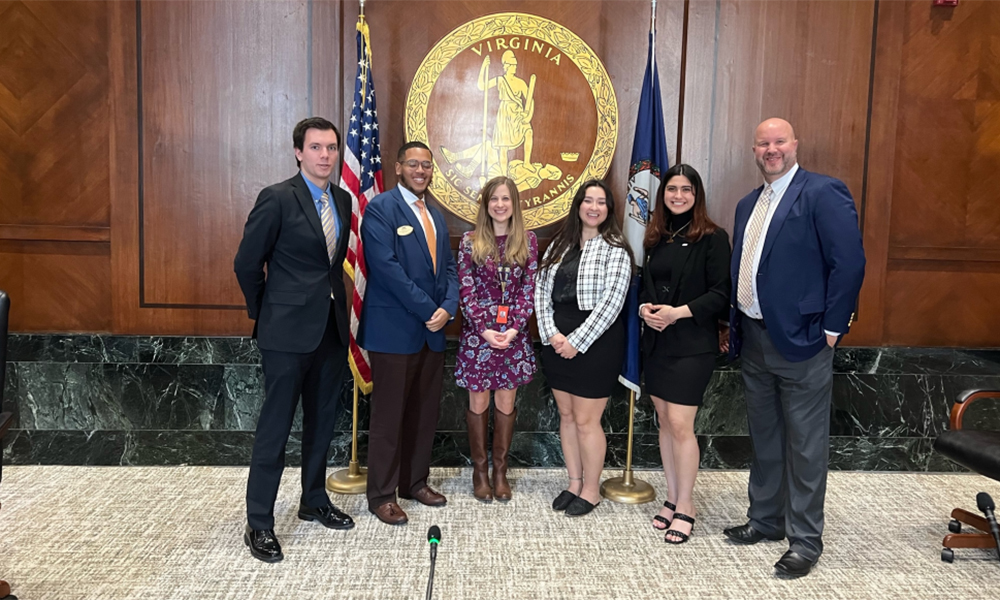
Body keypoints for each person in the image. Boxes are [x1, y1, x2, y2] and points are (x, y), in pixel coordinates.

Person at [722, 118, 866, 577]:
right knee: (765, 439)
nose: (771, 149)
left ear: (795, 145)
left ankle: (805, 540)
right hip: (755, 339)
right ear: (754, 148)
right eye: (763, 142)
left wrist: (833, 326)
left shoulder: (823, 193)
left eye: (779, 141)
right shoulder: (749, 204)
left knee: (805, 447)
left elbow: (850, 263)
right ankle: (765, 521)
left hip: (804, 340)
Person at [234, 117, 355, 563]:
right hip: (284, 333)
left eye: (331, 147)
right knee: (275, 428)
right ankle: (259, 523)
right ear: (298, 153)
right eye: (316, 147)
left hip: (329, 329)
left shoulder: (341, 199)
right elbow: (247, 263)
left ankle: (314, 499)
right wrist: (265, 311)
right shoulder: (277, 198)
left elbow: (330, 265)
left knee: (322, 422)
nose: (325, 155)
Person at [358, 141, 459, 526]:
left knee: (423, 413)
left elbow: (449, 269)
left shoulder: (434, 213)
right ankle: (381, 494)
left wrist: (448, 308)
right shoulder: (381, 209)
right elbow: (386, 268)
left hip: (432, 332)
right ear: (398, 167)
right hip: (393, 331)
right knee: (388, 416)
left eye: (427, 165)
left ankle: (414, 482)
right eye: (413, 164)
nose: (421, 170)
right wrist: (427, 309)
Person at [639, 164, 731, 544]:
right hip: (658, 342)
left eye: (686, 189)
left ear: (697, 194)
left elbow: (721, 294)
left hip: (693, 344)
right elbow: (646, 285)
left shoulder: (713, 237)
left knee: (680, 423)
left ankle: (687, 505)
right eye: (672, 189)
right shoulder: (655, 237)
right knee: (663, 420)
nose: (678, 195)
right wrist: (646, 309)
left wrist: (678, 313)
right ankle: (672, 496)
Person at [535, 179, 632, 517]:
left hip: (596, 343)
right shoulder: (558, 246)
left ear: (609, 209)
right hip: (556, 340)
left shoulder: (616, 249)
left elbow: (612, 303)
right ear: (578, 206)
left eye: (601, 202)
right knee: (566, 415)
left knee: (588, 421)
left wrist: (576, 341)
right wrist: (552, 334)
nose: (594, 207)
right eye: (588, 201)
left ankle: (592, 490)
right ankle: (574, 482)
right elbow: (540, 293)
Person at [456, 176, 538, 502]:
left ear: (514, 204)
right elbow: (465, 290)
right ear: (486, 205)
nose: (500, 205)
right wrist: (485, 329)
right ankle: (480, 471)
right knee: (479, 403)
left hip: (513, 337)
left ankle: (500, 470)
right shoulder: (469, 241)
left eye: (506, 199)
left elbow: (528, 290)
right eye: (494, 199)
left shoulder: (528, 241)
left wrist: (514, 328)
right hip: (479, 337)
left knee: (506, 402)